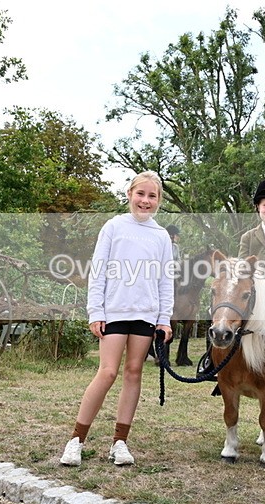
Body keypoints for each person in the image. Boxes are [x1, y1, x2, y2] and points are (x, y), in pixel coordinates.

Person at [60, 170, 174, 467]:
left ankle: (119, 442)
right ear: (129, 194)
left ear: (158, 200)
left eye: (152, 196)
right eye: (140, 194)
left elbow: (165, 281)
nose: (145, 201)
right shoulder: (113, 227)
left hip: (145, 314)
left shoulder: (161, 236)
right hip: (114, 312)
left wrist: (164, 319)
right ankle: (76, 440)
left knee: (133, 372)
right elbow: (98, 271)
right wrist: (96, 311)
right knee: (108, 372)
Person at [196, 177, 265, 385]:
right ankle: (210, 359)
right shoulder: (248, 236)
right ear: (258, 207)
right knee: (216, 308)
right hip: (248, 289)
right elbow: (240, 266)